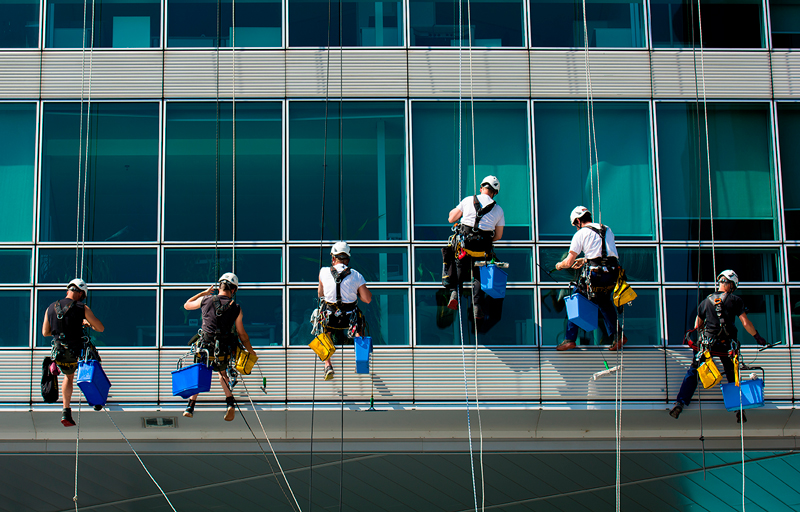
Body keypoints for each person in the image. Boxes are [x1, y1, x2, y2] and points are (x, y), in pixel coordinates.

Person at [669, 270, 767, 423]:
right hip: (726, 345)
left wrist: (701, 341)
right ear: (731, 284)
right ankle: (738, 409)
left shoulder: (705, 301)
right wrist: (758, 337)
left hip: (708, 345)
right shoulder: (735, 300)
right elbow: (745, 323)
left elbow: (697, 325)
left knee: (694, 371)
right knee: (732, 374)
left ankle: (680, 403)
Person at [182, 273, 256, 421]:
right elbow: (242, 335)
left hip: (204, 346)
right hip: (222, 349)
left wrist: (204, 292)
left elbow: (187, 304)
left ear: (219, 286)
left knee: (200, 372)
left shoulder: (205, 300)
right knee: (222, 374)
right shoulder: (235, 308)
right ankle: (230, 403)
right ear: (233, 290)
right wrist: (251, 352)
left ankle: (190, 405)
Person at [555, 206, 626, 351]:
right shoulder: (607, 229)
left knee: (575, 296)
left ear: (579, 220)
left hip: (596, 275)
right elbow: (604, 254)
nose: (576, 227)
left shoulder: (581, 234)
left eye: (575, 224)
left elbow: (568, 262)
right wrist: (585, 260)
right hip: (612, 274)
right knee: (604, 301)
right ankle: (618, 336)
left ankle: (570, 338)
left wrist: (559, 265)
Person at [42, 278, 105, 427]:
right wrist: (86, 323)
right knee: (94, 366)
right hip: (77, 352)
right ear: (80, 293)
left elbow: (45, 332)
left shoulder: (50, 307)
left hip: (60, 354)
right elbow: (100, 328)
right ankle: (96, 400)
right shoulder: (82, 308)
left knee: (68, 377)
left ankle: (66, 410)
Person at [444, 175, 505, 319]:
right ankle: (477, 306)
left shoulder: (467, 200)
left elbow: (451, 219)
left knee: (457, 263)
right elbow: (498, 236)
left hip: (465, 247)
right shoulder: (499, 210)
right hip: (482, 250)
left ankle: (454, 293)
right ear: (495, 192)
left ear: (481, 188)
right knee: (478, 274)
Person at [317, 242, 372, 381]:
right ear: (347, 259)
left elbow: (320, 293)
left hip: (330, 318)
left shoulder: (323, 272)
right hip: (350, 319)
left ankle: (327, 365)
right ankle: (361, 361)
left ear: (333, 258)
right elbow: (367, 299)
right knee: (359, 329)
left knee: (323, 330)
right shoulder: (356, 275)